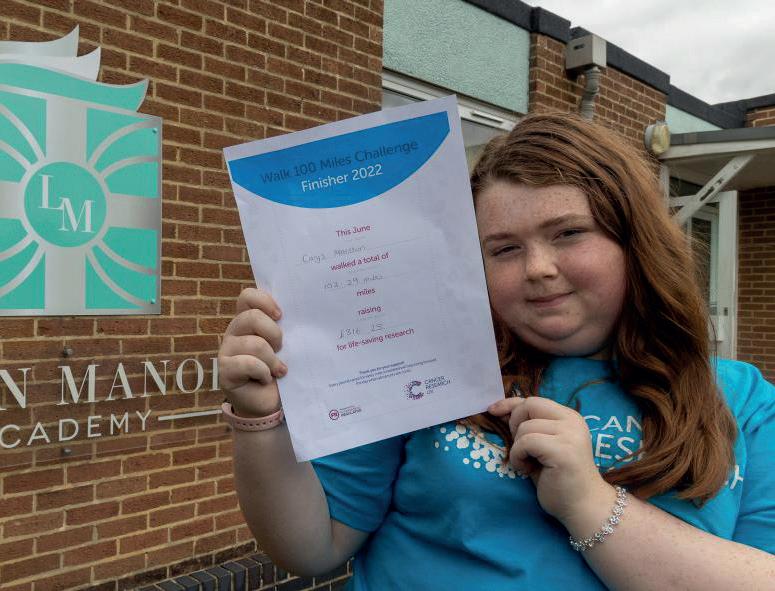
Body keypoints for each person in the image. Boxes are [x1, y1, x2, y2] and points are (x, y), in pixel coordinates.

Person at [217, 113, 775, 590]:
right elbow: (312, 546)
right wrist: (260, 420)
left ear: (634, 241)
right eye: (504, 249)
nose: (538, 268)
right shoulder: (423, 369)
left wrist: (588, 502)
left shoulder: (742, 400)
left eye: (568, 233)